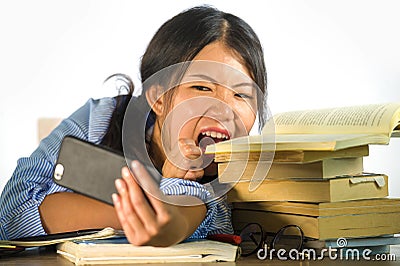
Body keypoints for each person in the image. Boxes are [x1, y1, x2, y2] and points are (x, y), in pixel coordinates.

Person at [0, 5, 268, 247]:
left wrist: (171, 193)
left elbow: (176, 220)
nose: (224, 109)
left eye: (242, 94)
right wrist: (154, 203)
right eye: (201, 87)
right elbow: (13, 213)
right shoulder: (102, 118)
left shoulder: (237, 189)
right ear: (158, 99)